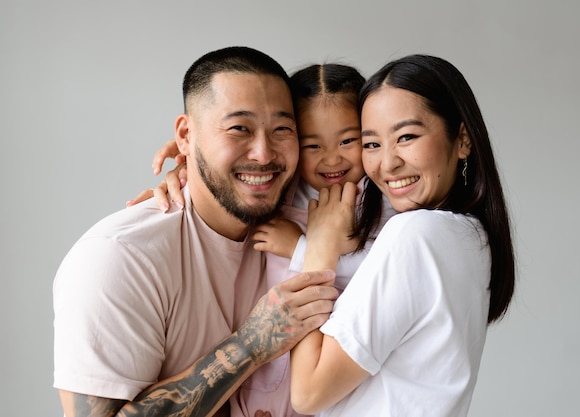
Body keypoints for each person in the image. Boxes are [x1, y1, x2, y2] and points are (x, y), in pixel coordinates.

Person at [53, 46, 339, 417]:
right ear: (186, 135)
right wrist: (251, 345)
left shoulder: (308, 211)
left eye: (282, 129)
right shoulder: (120, 256)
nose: (264, 153)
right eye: (239, 128)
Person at [133, 63, 397, 417]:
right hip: (262, 372)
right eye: (312, 144)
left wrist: (302, 249)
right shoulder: (287, 187)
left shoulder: (379, 197)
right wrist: (187, 165)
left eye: (349, 141)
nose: (332, 158)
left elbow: (385, 275)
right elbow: (235, 174)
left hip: (330, 373)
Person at [289, 54, 516, 417]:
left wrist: (319, 246)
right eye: (372, 144)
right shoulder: (472, 236)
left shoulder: (416, 234)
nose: (387, 162)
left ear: (462, 140)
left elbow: (307, 392)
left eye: (406, 136)